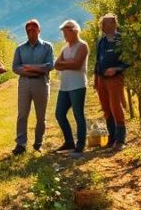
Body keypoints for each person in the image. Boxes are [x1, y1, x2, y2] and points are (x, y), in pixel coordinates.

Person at [11, 19, 55, 155]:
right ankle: (21, 144)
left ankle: (38, 143)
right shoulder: (20, 48)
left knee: (40, 116)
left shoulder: (47, 47)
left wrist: (29, 67)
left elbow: (50, 66)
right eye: (28, 30)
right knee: (22, 114)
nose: (31, 32)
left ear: (39, 30)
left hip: (41, 83)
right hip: (25, 83)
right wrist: (36, 69)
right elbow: (15, 67)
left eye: (34, 29)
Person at [54, 19, 89, 156]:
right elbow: (56, 65)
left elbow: (77, 65)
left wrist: (66, 62)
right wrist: (68, 62)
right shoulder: (65, 48)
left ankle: (80, 145)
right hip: (65, 86)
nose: (64, 36)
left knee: (78, 114)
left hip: (78, 85)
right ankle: (69, 142)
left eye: (66, 33)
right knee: (59, 114)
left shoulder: (82, 45)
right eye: (63, 33)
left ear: (74, 31)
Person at [94, 13, 129, 151]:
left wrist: (116, 68)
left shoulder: (120, 40)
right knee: (106, 108)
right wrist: (96, 78)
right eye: (102, 23)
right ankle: (111, 138)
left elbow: (128, 60)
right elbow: (98, 60)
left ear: (114, 24)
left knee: (115, 107)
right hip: (102, 78)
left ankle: (120, 139)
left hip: (114, 78)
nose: (102, 26)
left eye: (106, 23)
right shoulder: (101, 41)